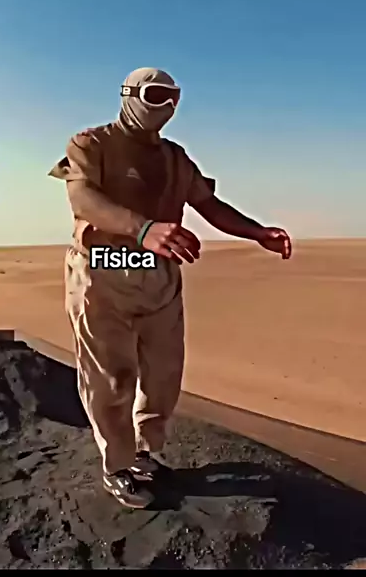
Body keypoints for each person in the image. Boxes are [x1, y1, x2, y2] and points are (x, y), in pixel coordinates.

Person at [49, 67, 292, 509]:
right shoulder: (91, 144)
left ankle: (145, 452)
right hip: (102, 274)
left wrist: (256, 232)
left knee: (162, 376)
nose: (166, 105)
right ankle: (117, 467)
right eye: (156, 94)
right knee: (111, 379)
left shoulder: (174, 157)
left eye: (174, 97)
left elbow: (208, 203)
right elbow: (83, 198)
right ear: (129, 94)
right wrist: (142, 229)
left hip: (159, 276)